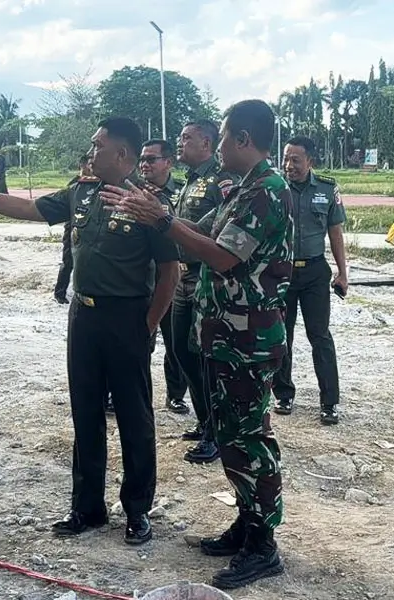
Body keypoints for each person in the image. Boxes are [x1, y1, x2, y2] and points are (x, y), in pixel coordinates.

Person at [0, 117, 180, 546]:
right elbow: (28, 209)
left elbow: (170, 273)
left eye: (98, 145)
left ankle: (137, 511)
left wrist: (149, 324)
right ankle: (87, 508)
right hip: (83, 317)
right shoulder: (80, 192)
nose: (91, 151)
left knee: (135, 418)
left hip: (127, 319)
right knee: (85, 413)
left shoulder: (148, 203)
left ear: (122, 154)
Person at [101, 99, 292, 590]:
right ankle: (247, 524)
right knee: (230, 436)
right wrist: (157, 213)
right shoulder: (242, 190)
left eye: (224, 137)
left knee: (250, 438)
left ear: (243, 140)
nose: (218, 144)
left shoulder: (267, 191)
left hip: (248, 339)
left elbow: (224, 257)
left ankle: (263, 544)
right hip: (227, 335)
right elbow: (200, 233)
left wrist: (161, 221)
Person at [168, 120, 238, 464]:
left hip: (204, 278)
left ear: (207, 144)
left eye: (186, 138)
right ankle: (205, 420)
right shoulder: (190, 181)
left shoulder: (222, 182)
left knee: (204, 358)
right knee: (182, 352)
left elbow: (219, 232)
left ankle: (215, 431)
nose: (179, 143)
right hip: (181, 278)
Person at [272, 137, 346, 426]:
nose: (289, 165)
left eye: (295, 160)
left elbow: (335, 233)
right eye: (286, 159)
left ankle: (329, 402)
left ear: (310, 161)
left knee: (320, 336)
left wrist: (342, 272)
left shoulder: (326, 190)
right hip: (282, 272)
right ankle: (283, 393)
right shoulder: (275, 189)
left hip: (315, 271)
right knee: (282, 334)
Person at [138, 139, 189, 415]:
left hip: (173, 275)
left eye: (151, 159)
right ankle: (131, 390)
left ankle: (176, 394)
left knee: (175, 340)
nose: (145, 164)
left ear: (167, 162)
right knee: (139, 338)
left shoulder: (181, 192)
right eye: (143, 159)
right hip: (144, 276)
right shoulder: (132, 189)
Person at [54, 155, 93, 304]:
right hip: (72, 227)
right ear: (82, 166)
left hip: (87, 227)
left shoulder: (96, 183)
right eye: (88, 165)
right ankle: (59, 293)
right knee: (68, 261)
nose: (91, 168)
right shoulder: (74, 184)